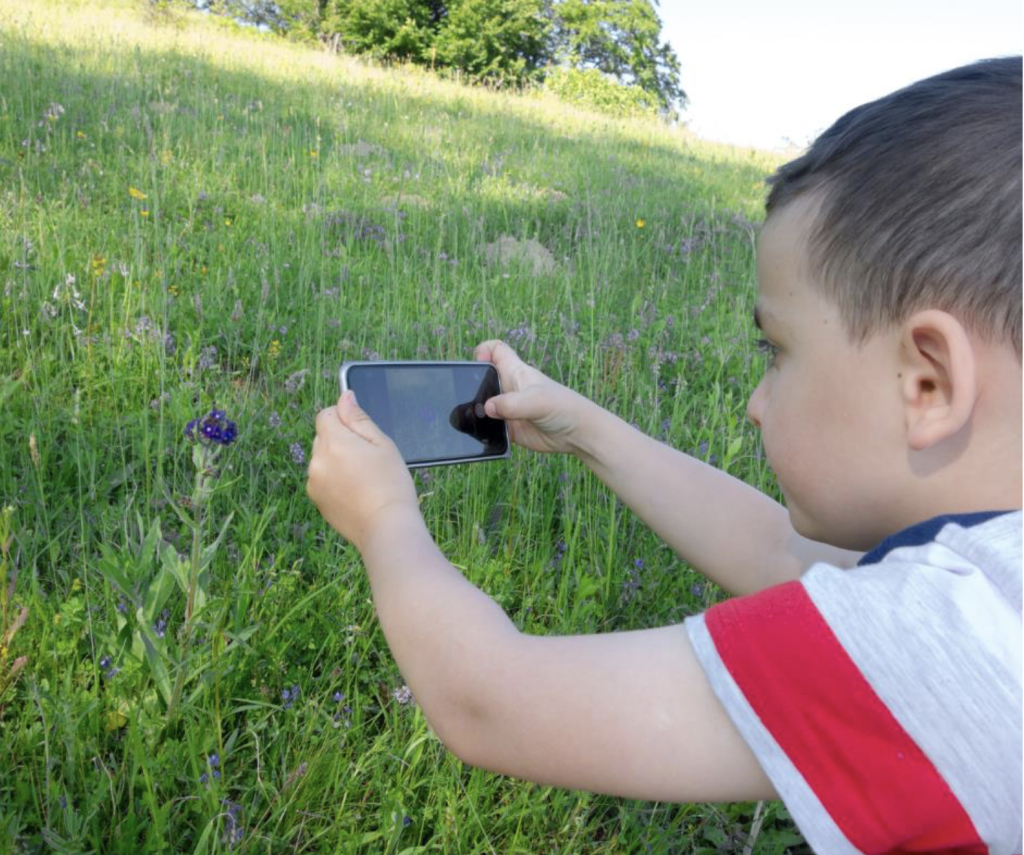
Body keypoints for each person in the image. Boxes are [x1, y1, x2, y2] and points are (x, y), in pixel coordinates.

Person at [306, 57, 1022, 852]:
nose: (755, 401)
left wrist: (381, 518)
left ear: (926, 381)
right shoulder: (995, 590)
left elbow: (489, 700)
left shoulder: (945, 646)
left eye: (776, 351)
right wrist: (586, 427)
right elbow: (777, 550)